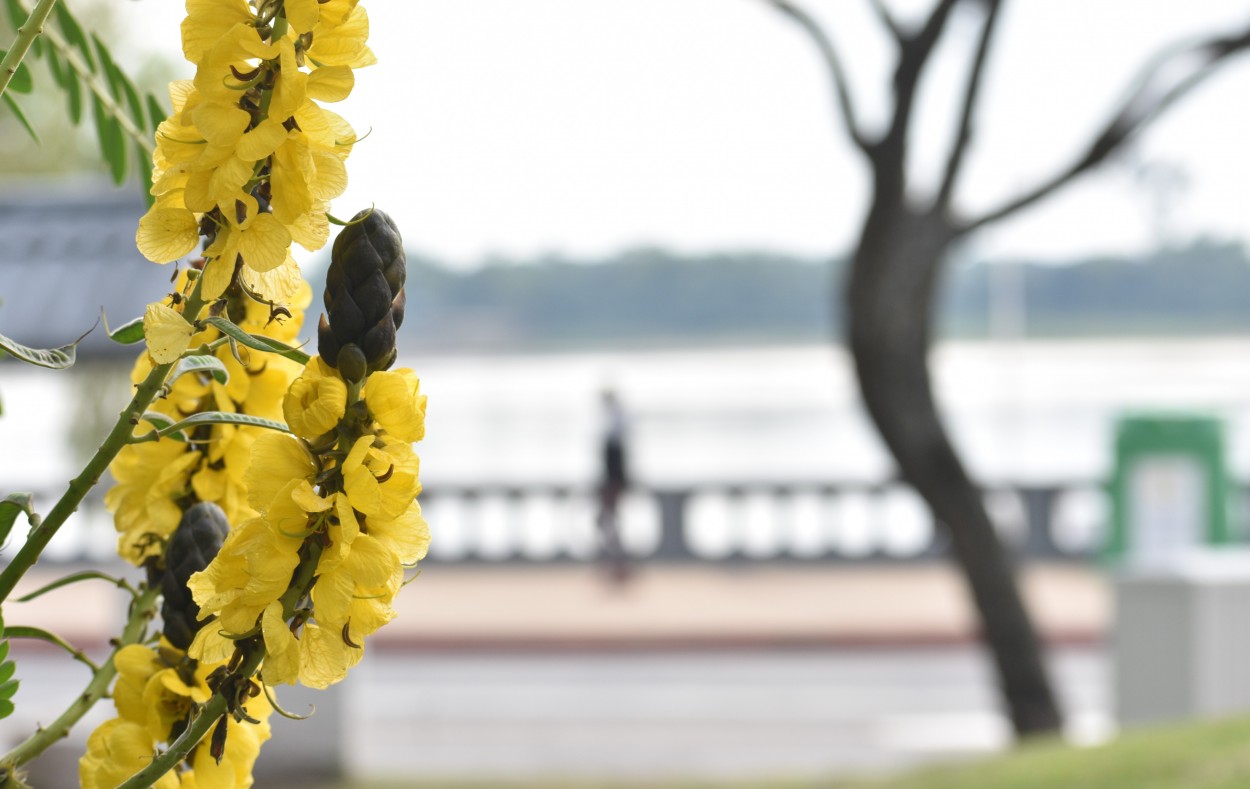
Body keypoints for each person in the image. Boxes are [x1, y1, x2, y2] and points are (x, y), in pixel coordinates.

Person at [596, 388, 631, 584]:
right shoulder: (614, 422)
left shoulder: (614, 425)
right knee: (608, 522)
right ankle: (616, 564)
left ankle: (618, 565)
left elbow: (616, 461)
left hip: (613, 481)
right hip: (613, 481)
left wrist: (613, 484)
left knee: (607, 522)